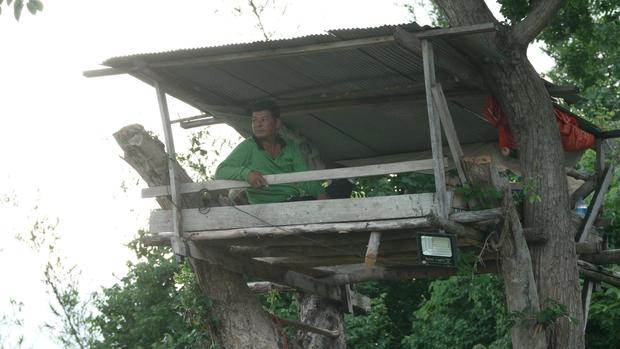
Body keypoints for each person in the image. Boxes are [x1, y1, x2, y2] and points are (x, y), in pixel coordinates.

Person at [215, 100, 351, 204]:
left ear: (277, 123)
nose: (258, 125)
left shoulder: (291, 147)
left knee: (343, 185)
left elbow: (305, 179)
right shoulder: (248, 146)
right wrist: (247, 173)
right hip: (267, 208)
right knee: (302, 204)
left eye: (264, 119)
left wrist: (322, 196)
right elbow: (220, 171)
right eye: (254, 120)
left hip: (293, 202)